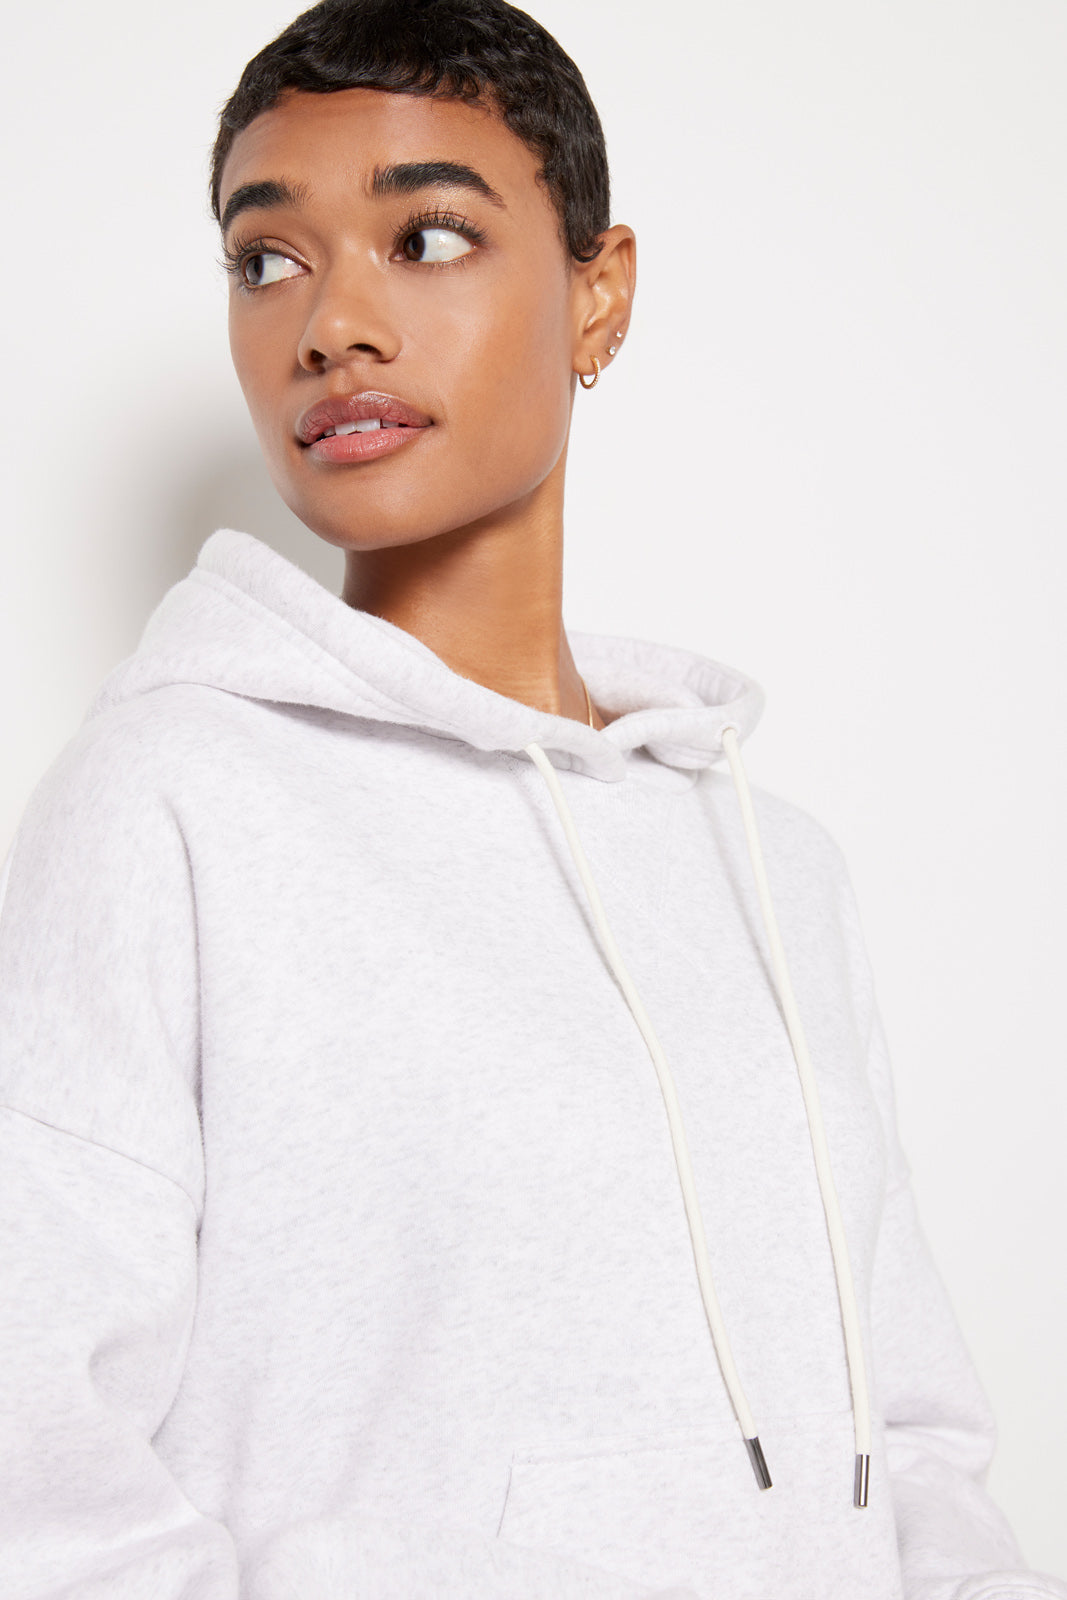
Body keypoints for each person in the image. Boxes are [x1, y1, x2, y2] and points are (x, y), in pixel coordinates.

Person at [0, 1, 1062, 1596]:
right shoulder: (171, 802)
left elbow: (910, 1444)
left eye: (426, 237)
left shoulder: (777, 867)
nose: (331, 324)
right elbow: (37, 1466)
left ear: (598, 295)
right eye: (267, 260)